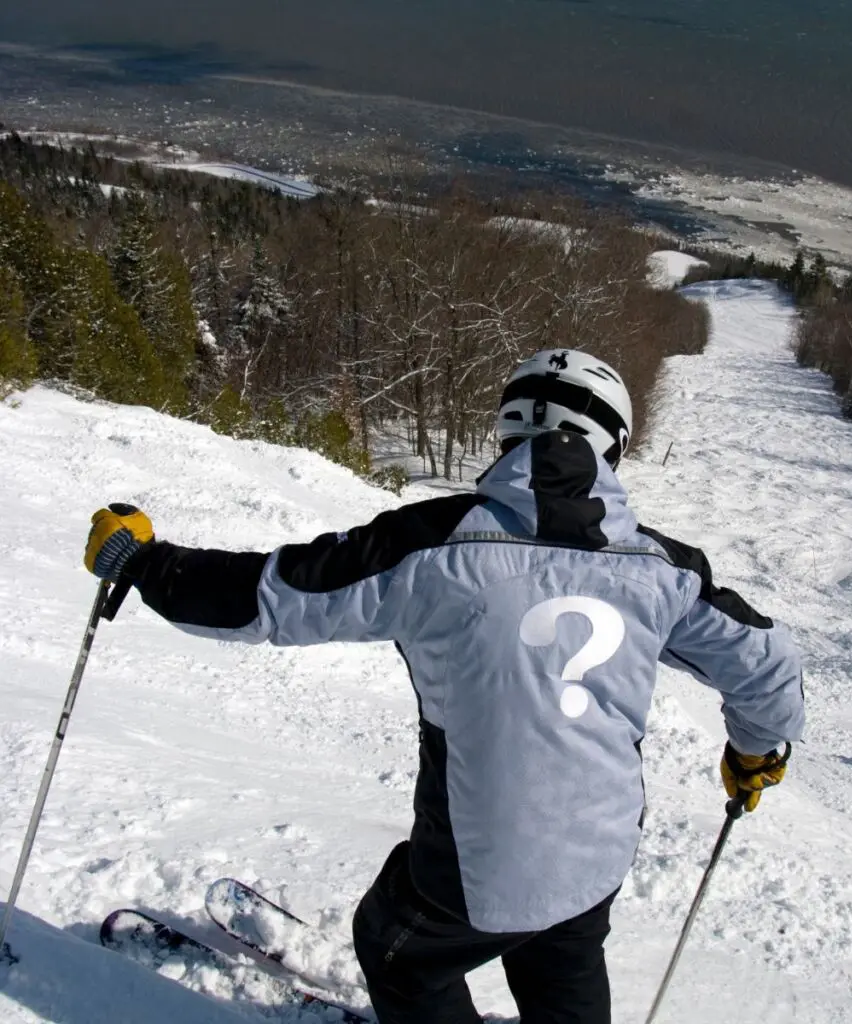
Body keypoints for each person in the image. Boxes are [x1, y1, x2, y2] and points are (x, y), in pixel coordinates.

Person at [84, 349, 804, 1024]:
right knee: (560, 950)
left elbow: (268, 598)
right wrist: (753, 754)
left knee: (394, 948)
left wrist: (143, 563)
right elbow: (767, 663)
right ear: (612, 444)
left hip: (475, 862)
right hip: (602, 847)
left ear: (508, 432)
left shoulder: (431, 545)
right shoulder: (663, 569)